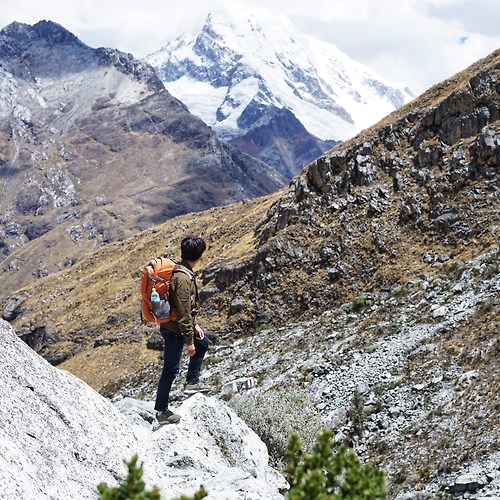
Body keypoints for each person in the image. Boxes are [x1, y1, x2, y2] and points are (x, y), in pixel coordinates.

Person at [154, 236, 212, 424]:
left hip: (178, 327)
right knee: (170, 370)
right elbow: (183, 312)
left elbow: (184, 311)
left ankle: (192, 383)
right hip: (174, 330)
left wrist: (194, 326)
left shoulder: (182, 270)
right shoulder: (183, 278)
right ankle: (161, 411)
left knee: (203, 342)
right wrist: (189, 342)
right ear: (199, 256)